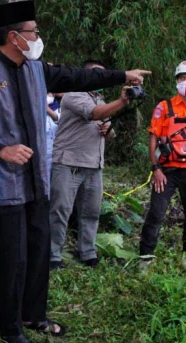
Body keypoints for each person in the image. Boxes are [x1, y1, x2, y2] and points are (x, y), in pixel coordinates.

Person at [0, 0, 148, 343]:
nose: (37, 37)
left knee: (39, 251)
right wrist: (0, 149)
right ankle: (10, 329)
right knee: (11, 258)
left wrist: (122, 75)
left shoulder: (36, 69)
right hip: (3, 185)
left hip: (36, 182)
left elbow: (79, 76)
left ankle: (34, 316)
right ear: (14, 37)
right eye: (33, 32)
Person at [49, 61, 130, 269]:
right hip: (69, 162)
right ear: (85, 75)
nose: (101, 79)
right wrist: (122, 102)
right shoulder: (74, 94)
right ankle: (52, 255)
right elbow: (95, 114)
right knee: (60, 211)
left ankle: (87, 252)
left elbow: (106, 128)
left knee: (91, 211)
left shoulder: (99, 99)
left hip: (94, 164)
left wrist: (108, 131)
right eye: (96, 74)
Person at [139, 60, 186, 270]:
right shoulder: (164, 107)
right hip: (167, 170)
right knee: (156, 212)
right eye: (182, 78)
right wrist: (156, 169)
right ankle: (145, 258)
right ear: (176, 82)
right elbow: (153, 138)